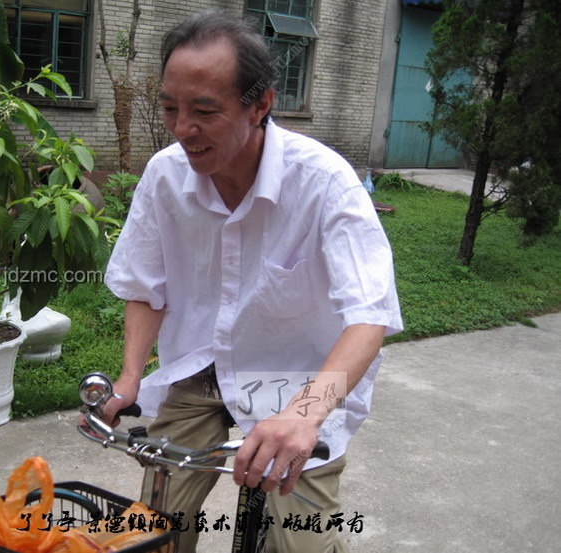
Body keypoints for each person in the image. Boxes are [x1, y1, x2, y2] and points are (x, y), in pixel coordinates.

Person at [101, 10, 402, 553]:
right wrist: (128, 377)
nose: (182, 128)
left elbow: (369, 316)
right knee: (154, 529)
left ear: (260, 105)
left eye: (204, 111)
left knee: (300, 542)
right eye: (170, 108)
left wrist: (304, 416)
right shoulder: (165, 175)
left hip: (298, 381)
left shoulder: (325, 183)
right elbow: (146, 286)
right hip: (200, 369)